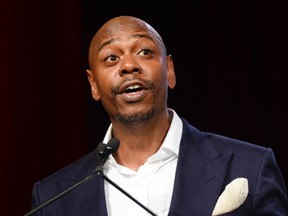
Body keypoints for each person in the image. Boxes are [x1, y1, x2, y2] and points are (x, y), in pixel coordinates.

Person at [29, 15, 288, 216]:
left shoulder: (249, 167)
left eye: (145, 52)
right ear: (93, 84)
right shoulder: (55, 197)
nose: (129, 65)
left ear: (170, 70)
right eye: (111, 57)